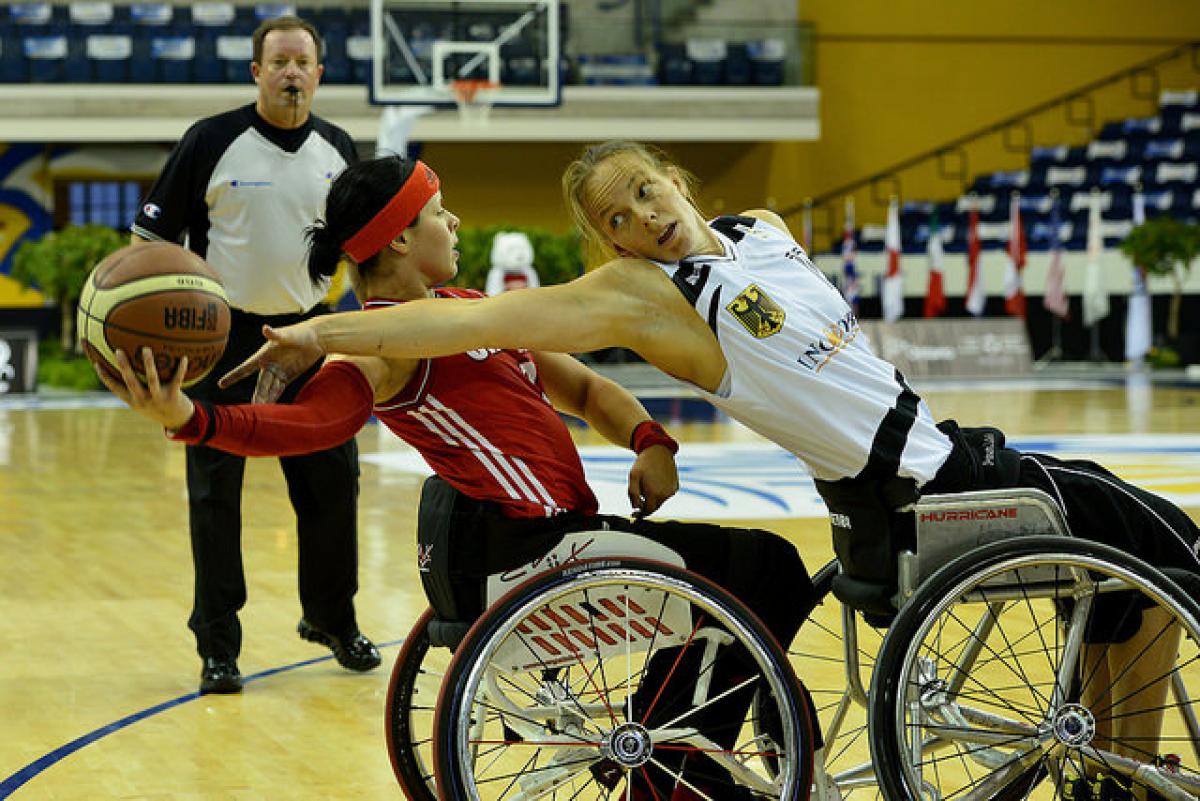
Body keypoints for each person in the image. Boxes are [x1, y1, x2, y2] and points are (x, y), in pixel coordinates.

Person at [222, 141, 1200, 799]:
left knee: (1136, 565)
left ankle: (1112, 763)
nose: (644, 216)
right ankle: (1123, 772)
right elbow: (467, 320)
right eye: (618, 217)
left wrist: (649, 440)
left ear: (679, 182)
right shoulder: (647, 300)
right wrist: (318, 329)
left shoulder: (765, 231)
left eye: (649, 189)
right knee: (1170, 565)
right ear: (607, 245)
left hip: (954, 451)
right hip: (924, 494)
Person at [103, 154, 816, 799]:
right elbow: (317, 425)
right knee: (772, 568)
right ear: (403, 239)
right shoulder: (378, 347)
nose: (456, 220)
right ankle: (681, 767)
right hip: (532, 552)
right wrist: (195, 419)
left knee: (739, 582)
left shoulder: (468, 311)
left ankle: (672, 744)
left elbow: (585, 388)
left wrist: (648, 438)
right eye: (439, 211)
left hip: (552, 544)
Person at [128, 14, 378, 695]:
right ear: (257, 72)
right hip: (222, 339)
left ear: (320, 74)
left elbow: (360, 250)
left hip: (311, 336)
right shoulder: (210, 140)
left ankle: (331, 618)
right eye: (280, 62)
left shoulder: (339, 147)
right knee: (215, 494)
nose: (292, 72)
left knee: (333, 484)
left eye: (304, 61)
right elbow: (151, 242)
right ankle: (218, 646)